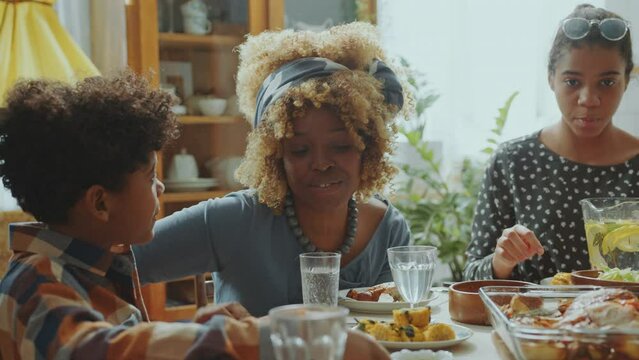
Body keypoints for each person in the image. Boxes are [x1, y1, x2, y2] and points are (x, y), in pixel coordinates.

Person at [133, 22, 412, 317]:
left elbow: (396, 330)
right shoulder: (234, 220)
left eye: (341, 146)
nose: (321, 163)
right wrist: (148, 336)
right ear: (275, 156)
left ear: (368, 149)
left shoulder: (388, 229)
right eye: (300, 150)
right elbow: (113, 263)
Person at [0, 73, 267, 359]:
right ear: (100, 203)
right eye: (150, 177)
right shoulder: (38, 286)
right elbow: (101, 351)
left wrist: (204, 331)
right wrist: (245, 337)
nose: (161, 187)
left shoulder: (89, 268)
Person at [464, 4, 639, 283]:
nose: (588, 99)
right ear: (550, 79)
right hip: (534, 323)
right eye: (572, 81)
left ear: (626, 81)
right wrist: (502, 259)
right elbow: (473, 277)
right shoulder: (513, 161)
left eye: (606, 83)